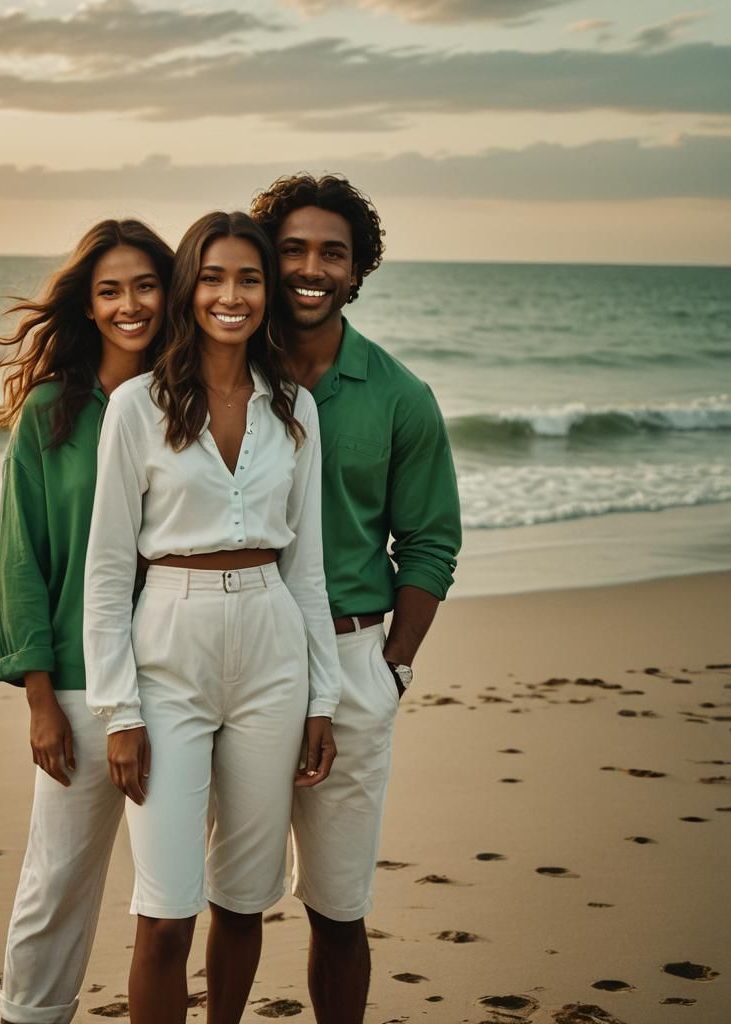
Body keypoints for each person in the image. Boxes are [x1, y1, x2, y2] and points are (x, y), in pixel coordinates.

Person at [82, 211, 341, 1024]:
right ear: (191, 285)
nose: (232, 296)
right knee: (165, 912)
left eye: (250, 279)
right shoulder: (134, 407)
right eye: (216, 277)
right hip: (170, 650)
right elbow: (108, 569)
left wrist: (322, 697)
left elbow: (308, 568)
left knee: (243, 897)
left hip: (272, 648)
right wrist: (120, 711)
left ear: (267, 292)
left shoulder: (294, 406)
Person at [250, 175, 462, 1023]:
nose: (310, 268)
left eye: (331, 253)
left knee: (338, 907)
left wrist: (394, 668)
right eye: (293, 249)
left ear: (357, 268)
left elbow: (430, 543)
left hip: (351, 659)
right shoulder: (225, 368)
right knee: (228, 894)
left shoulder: (399, 395)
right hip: (236, 650)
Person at [0, 219, 174, 1024]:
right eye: (109, 290)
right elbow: (22, 559)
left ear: (171, 292)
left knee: (170, 889)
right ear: (88, 306)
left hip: (180, 674)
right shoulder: (51, 414)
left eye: (144, 285)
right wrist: (38, 696)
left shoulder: (195, 401)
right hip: (78, 685)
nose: (129, 304)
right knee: (57, 878)